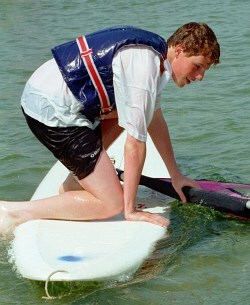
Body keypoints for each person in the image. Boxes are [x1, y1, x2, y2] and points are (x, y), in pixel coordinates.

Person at [0, 22, 220, 235]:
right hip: (51, 109)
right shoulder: (144, 67)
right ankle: (12, 212)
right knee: (112, 203)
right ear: (179, 50)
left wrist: (175, 175)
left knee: (138, 112)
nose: (200, 76)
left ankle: (74, 185)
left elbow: (154, 117)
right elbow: (134, 145)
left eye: (204, 70)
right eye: (198, 66)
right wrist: (129, 209)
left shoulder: (153, 57)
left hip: (50, 95)